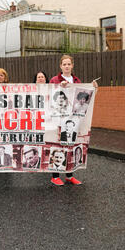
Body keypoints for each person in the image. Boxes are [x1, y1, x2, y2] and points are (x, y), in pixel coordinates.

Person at [49, 55, 98, 186]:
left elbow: (83, 97)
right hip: (59, 119)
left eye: (68, 64)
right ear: (60, 66)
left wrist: (93, 87)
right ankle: (55, 176)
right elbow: (49, 95)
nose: (66, 66)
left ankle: (69, 175)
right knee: (58, 146)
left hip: (73, 120)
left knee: (71, 145)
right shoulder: (55, 80)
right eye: (64, 64)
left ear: (72, 65)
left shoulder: (76, 80)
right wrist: (60, 87)